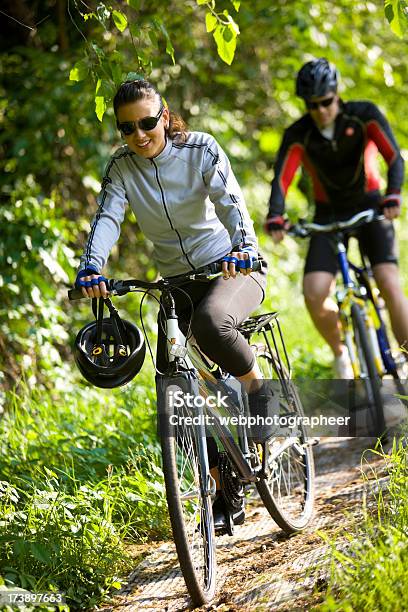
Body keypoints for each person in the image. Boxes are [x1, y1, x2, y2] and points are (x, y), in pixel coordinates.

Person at [74, 78, 273, 531]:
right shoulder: (122, 167)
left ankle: (261, 394)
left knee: (210, 324)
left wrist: (243, 246)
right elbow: (107, 216)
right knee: (176, 389)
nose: (139, 135)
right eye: (128, 128)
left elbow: (231, 201)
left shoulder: (201, 149)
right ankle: (227, 491)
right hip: (176, 283)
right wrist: (91, 268)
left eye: (147, 123)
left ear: (164, 116)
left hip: (233, 269)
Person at [265, 58, 407, 378]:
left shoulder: (363, 114)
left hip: (370, 206)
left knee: (387, 282)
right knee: (314, 292)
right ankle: (340, 352)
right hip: (326, 214)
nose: (320, 111)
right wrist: (276, 214)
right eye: (312, 105)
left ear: (337, 94)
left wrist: (393, 194)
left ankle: (406, 353)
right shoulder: (299, 132)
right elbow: (282, 178)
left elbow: (394, 157)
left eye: (326, 102)